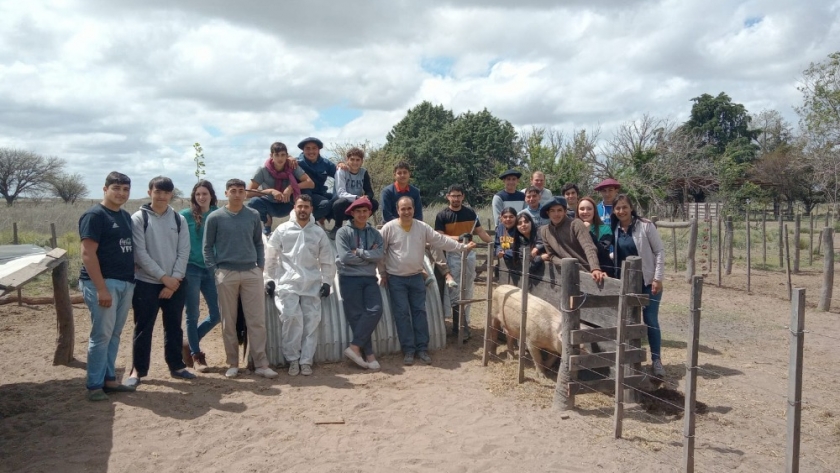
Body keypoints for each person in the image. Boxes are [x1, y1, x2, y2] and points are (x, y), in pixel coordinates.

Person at [380, 196, 476, 365]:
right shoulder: (389, 228)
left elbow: (441, 241)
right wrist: (383, 274)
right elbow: (381, 252)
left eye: (409, 208)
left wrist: (462, 247)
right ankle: (408, 350)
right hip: (396, 279)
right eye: (403, 209)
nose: (407, 212)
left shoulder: (422, 227)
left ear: (414, 209)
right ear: (398, 211)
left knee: (420, 313)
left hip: (416, 277)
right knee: (402, 315)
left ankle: (422, 349)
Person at [203, 179, 278, 379]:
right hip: (226, 272)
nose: (237, 194)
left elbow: (258, 243)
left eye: (240, 191)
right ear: (226, 193)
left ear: (245, 194)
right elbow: (207, 247)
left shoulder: (253, 215)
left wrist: (260, 266)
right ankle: (233, 363)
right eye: (233, 191)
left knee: (257, 321)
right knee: (229, 321)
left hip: (251, 272)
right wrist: (215, 270)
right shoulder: (215, 217)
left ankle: (261, 364)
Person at [127, 176, 194, 386]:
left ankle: (176, 365)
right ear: (150, 193)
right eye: (158, 192)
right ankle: (137, 370)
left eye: (166, 193)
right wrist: (164, 278)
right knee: (143, 327)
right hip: (146, 282)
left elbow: (184, 251)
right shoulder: (138, 218)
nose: (162, 196)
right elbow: (140, 253)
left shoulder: (178, 219)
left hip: (176, 282)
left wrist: (174, 280)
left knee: (174, 326)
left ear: (171, 195)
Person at [78, 171, 137, 401]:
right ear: (105, 189)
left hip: (125, 282)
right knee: (101, 335)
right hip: (103, 284)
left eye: (125, 189)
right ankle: (94, 385)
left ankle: (109, 379)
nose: (121, 193)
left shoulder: (124, 216)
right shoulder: (94, 215)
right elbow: (87, 253)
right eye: (116, 188)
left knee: (114, 334)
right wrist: (101, 288)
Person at [265, 194, 335, 376]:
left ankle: (306, 361)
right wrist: (268, 279)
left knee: (312, 321)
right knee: (291, 318)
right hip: (287, 282)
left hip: (311, 282)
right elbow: (271, 256)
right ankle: (293, 360)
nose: (302, 210)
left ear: (311, 209)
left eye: (306, 207)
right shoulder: (282, 230)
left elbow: (327, 259)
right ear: (294, 208)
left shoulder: (318, 232)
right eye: (300, 206)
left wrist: (327, 281)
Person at [610, 194, 666, 378]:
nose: (621, 211)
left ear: (631, 208)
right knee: (629, 322)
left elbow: (659, 252)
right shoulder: (615, 228)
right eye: (618, 208)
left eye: (624, 207)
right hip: (627, 284)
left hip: (648, 281)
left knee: (650, 321)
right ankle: (632, 361)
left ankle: (656, 360)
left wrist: (657, 278)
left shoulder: (645, 225)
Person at [434, 184, 494, 339]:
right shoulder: (442, 215)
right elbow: (439, 236)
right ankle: (457, 326)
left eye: (458, 196)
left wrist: (493, 244)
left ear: (463, 197)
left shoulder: (470, 213)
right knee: (454, 290)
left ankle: (464, 323)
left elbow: (480, 232)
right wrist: (459, 238)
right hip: (452, 255)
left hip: (469, 255)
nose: (456, 199)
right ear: (448, 197)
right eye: (453, 196)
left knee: (468, 288)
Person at [335, 197, 384, 370]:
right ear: (352, 213)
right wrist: (368, 257)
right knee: (356, 315)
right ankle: (369, 354)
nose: (362, 214)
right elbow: (345, 257)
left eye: (365, 211)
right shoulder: (343, 232)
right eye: (358, 211)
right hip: (348, 278)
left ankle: (354, 347)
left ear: (369, 213)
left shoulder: (375, 233)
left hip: (369, 278)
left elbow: (379, 255)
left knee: (375, 310)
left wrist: (360, 253)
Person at [180, 180, 221, 373]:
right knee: (193, 313)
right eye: (198, 194)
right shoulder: (184, 216)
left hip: (211, 268)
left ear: (211, 195)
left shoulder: (218, 215)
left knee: (217, 313)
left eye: (205, 194)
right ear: (194, 197)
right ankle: (197, 356)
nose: (201, 197)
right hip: (191, 268)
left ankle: (189, 341)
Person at [247, 141, 314, 236]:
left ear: (287, 156)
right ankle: (267, 222)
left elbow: (310, 183)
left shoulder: (292, 166)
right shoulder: (263, 170)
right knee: (254, 202)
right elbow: (248, 193)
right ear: (271, 155)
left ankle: (304, 225)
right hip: (269, 204)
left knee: (306, 193)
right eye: (277, 155)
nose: (280, 158)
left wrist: (291, 187)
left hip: (288, 203)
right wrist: (270, 191)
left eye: (283, 155)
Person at [538, 197, 607, 283]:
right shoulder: (544, 231)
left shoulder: (575, 224)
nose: (556, 214)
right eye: (552, 211)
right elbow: (551, 255)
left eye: (559, 210)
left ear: (565, 211)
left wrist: (595, 268)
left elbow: (588, 246)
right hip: (564, 275)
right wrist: (567, 265)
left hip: (587, 272)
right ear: (548, 213)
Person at [330, 147, 379, 239]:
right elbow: (341, 193)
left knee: (374, 203)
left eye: (358, 160)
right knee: (341, 202)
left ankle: (358, 223)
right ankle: (337, 226)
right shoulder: (341, 171)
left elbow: (369, 191)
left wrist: (367, 197)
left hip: (356, 203)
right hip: (341, 204)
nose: (355, 162)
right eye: (352, 159)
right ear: (347, 160)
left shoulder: (363, 172)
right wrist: (358, 198)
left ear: (362, 161)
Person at [295, 137, 339, 223]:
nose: (311, 151)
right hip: (303, 195)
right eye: (307, 148)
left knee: (339, 202)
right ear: (303, 150)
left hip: (320, 193)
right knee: (325, 204)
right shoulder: (296, 162)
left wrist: (341, 164)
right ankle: (307, 223)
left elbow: (339, 175)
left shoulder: (326, 164)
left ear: (319, 150)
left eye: (314, 148)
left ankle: (335, 226)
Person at [577, 196, 615, 278]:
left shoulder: (605, 229)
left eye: (589, 209)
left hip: (602, 273)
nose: (585, 212)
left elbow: (602, 251)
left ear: (594, 210)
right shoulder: (573, 229)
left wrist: (588, 233)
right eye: (582, 209)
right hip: (580, 273)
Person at [510, 211, 545, 286]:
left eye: (526, 222)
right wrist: (541, 258)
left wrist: (538, 248)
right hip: (534, 283)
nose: (523, 225)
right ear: (516, 227)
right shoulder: (518, 245)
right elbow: (526, 267)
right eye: (519, 223)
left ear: (531, 223)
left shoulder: (541, 233)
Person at [494, 207, 518, 284]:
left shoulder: (519, 229)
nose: (508, 219)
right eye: (505, 217)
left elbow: (521, 249)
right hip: (504, 265)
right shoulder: (500, 228)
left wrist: (505, 253)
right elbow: (497, 243)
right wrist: (499, 251)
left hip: (518, 264)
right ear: (501, 218)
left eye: (511, 217)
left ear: (516, 218)